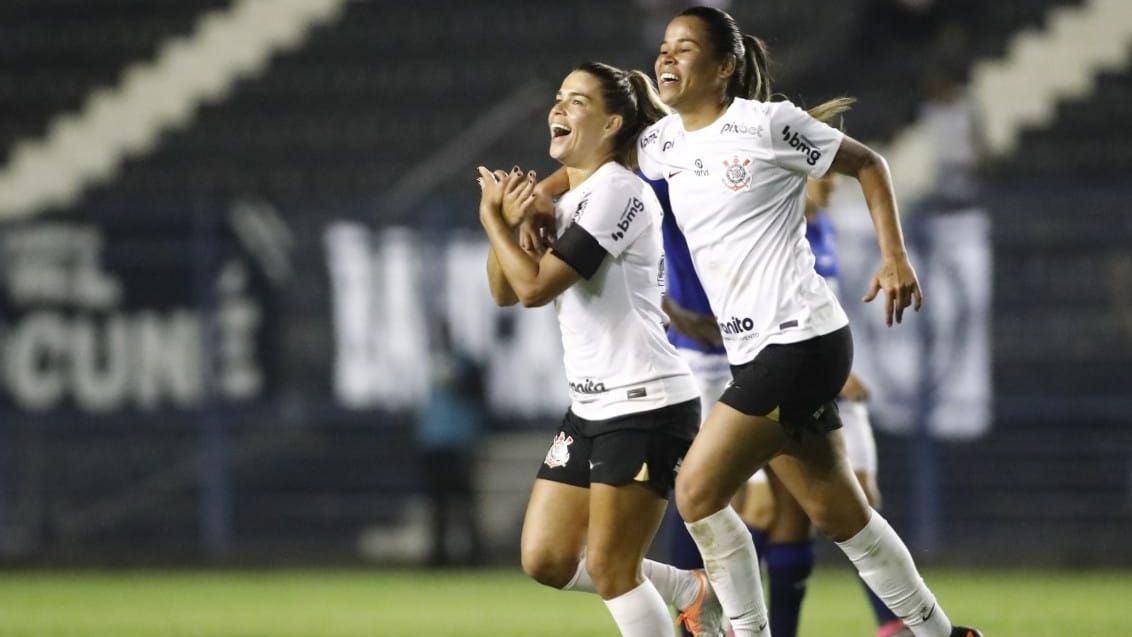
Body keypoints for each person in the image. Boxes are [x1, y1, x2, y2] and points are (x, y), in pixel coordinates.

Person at [638, 7, 982, 637]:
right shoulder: (661, 146)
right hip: (767, 352)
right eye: (664, 47)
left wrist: (895, 256)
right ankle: (940, 633)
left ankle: (746, 632)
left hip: (800, 340)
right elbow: (605, 174)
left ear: (723, 67)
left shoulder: (768, 125)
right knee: (844, 515)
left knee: (695, 492)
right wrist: (544, 203)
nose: (666, 58)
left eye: (684, 49)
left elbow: (868, 164)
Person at [477, 61, 724, 637]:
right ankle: (691, 589)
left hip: (644, 404)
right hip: (592, 408)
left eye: (578, 101)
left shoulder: (620, 192)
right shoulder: (569, 197)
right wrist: (517, 223)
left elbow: (536, 289)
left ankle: (696, 604)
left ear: (612, 122)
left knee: (615, 569)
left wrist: (493, 220)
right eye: (559, 97)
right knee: (546, 558)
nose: (559, 109)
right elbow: (503, 291)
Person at [416, 320, 487, 568]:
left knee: (462, 501)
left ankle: (471, 552)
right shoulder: (431, 363)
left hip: (457, 440)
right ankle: (439, 552)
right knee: (438, 501)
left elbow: (477, 394)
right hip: (435, 441)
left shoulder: (464, 364)